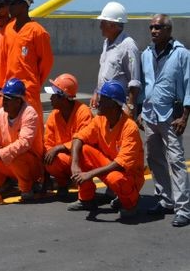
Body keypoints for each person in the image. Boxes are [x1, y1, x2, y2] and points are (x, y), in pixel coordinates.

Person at [140, 14, 190, 227]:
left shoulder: (182, 55)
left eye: (158, 27)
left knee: (176, 161)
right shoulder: (146, 54)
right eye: (151, 27)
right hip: (150, 114)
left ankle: (183, 208)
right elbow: (144, 84)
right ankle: (165, 199)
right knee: (154, 159)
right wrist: (141, 110)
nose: (154, 31)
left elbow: (189, 85)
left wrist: (185, 116)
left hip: (172, 116)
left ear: (169, 30)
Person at [68, 80, 144, 219]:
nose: (97, 102)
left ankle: (131, 203)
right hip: (108, 166)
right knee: (83, 150)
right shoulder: (100, 120)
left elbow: (121, 164)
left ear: (113, 104)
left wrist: (89, 174)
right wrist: (75, 165)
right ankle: (86, 199)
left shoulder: (130, 127)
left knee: (115, 178)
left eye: (102, 99)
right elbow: (79, 138)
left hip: (127, 175)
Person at [0, 78, 44, 202]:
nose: (4, 102)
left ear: (18, 101)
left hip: (30, 164)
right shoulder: (0, 114)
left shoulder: (30, 114)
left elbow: (24, 143)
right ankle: (4, 184)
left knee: (15, 155)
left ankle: (27, 188)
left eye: (8, 99)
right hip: (10, 162)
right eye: (3, 98)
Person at [4, 0, 53, 123]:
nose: (10, 7)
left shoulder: (37, 32)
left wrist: (32, 84)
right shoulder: (8, 29)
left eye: (13, 3)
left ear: (24, 5)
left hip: (28, 94)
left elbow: (46, 63)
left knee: (32, 133)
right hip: (9, 92)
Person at [42, 73, 92, 197]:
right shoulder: (54, 115)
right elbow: (48, 143)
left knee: (84, 151)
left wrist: (59, 148)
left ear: (63, 97)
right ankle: (62, 184)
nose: (50, 98)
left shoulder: (83, 112)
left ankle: (86, 191)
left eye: (54, 95)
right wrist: (51, 152)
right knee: (50, 159)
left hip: (81, 158)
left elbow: (85, 141)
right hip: (65, 159)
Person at [92, 1, 141, 122]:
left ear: (113, 25)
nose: (100, 27)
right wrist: (96, 92)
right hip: (104, 105)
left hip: (118, 108)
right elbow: (104, 72)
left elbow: (134, 81)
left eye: (103, 23)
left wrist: (130, 107)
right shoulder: (106, 43)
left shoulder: (128, 46)